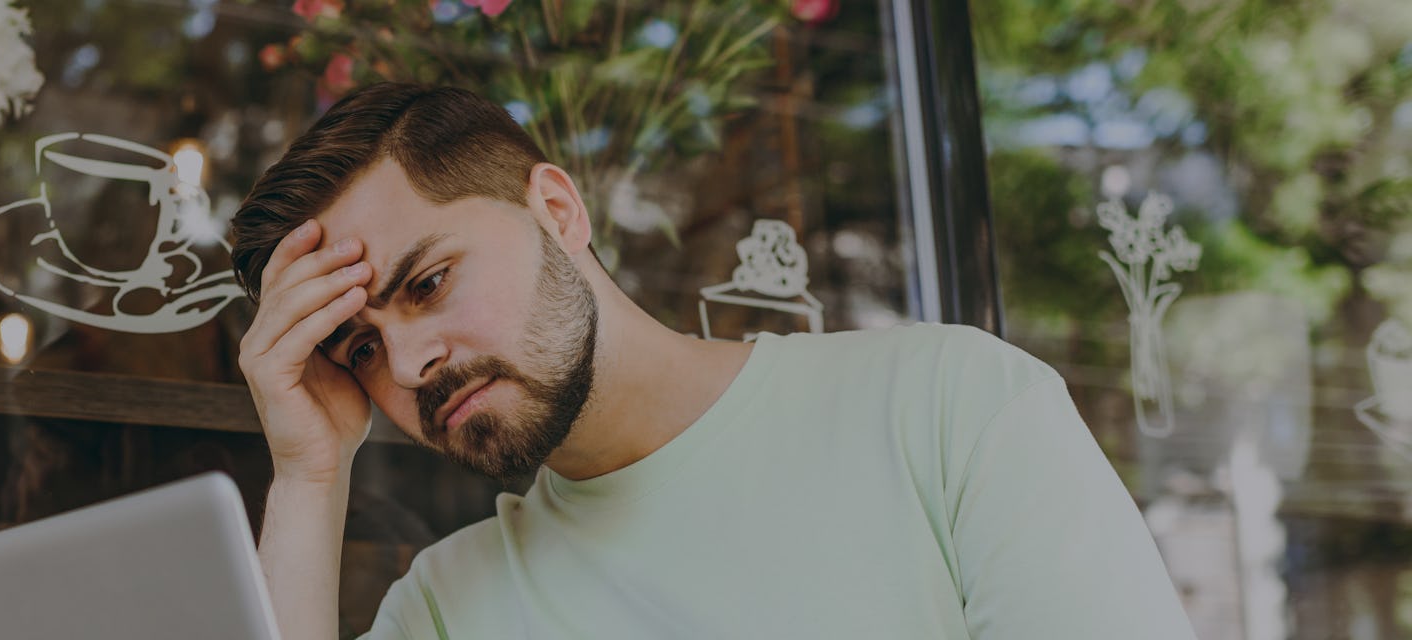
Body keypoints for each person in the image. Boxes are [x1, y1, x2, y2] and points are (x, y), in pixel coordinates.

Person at [228, 82, 1194, 639]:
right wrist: (309, 478)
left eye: (429, 284)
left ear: (557, 214)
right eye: (359, 347)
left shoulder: (945, 407)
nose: (407, 363)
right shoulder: (447, 607)